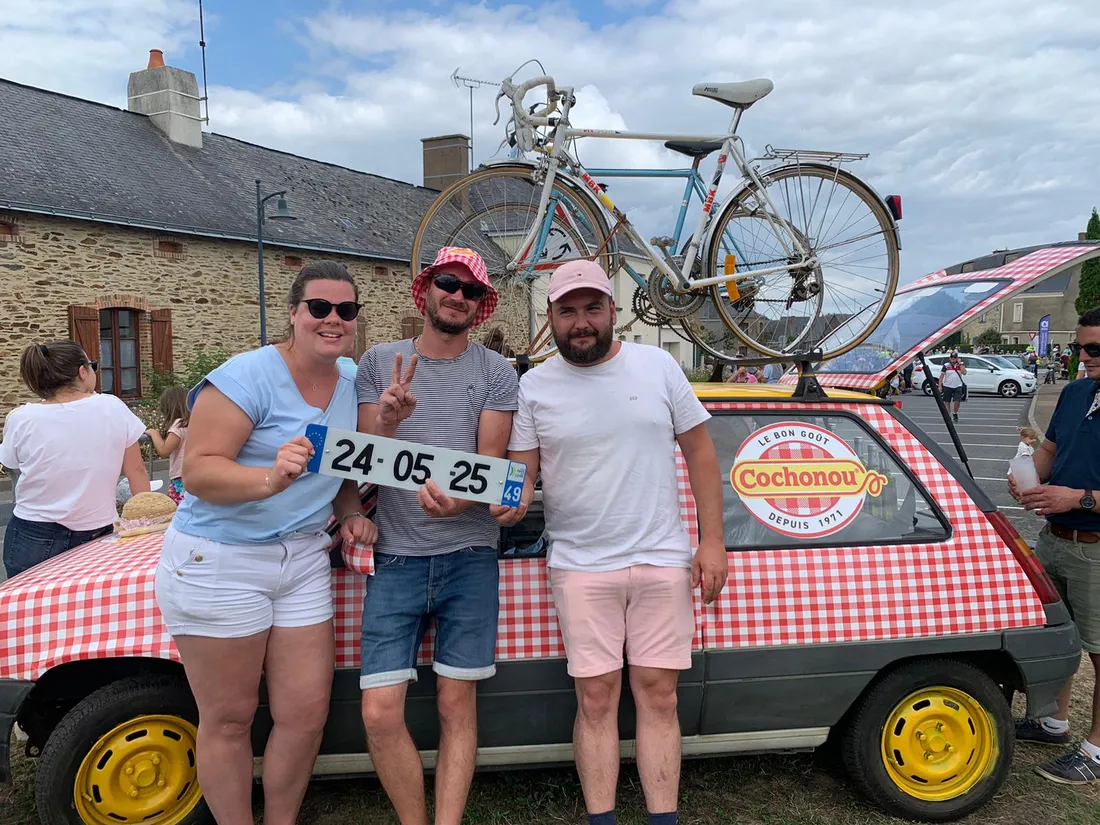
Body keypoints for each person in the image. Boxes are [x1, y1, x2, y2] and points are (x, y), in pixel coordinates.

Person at [493, 260, 727, 825]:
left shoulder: (659, 366)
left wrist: (711, 541)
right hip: (580, 565)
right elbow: (520, 474)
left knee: (659, 696)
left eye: (592, 308)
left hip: (663, 559)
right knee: (595, 700)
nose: (581, 322)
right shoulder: (534, 387)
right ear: (549, 318)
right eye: (567, 311)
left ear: (612, 311)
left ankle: (662, 817)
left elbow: (701, 454)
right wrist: (503, 501)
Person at [153, 261, 377, 825]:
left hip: (301, 558)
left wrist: (348, 508)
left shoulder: (353, 381)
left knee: (305, 714)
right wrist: (270, 479)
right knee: (229, 719)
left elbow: (343, 466)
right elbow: (198, 472)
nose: (333, 319)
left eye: (345, 311)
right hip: (221, 560)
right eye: (319, 308)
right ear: (294, 313)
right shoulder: (246, 375)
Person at [355, 246, 518, 825]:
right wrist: (390, 422)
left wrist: (464, 499)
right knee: (378, 711)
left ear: (481, 305)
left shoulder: (497, 372)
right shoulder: (379, 361)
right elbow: (366, 456)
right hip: (396, 557)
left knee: (456, 702)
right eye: (450, 283)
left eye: (472, 291)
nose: (459, 296)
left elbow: (493, 466)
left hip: (470, 554)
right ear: (425, 289)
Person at [1010, 307, 1100, 784]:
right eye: (1079, 347)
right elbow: (1050, 451)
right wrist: (1028, 481)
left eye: (1094, 349)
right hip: (1057, 537)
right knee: (1059, 637)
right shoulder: (1075, 391)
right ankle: (1053, 722)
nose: (1082, 357)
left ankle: (1096, 751)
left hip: (1096, 545)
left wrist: (1078, 497)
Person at [0, 340, 150, 578]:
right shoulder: (112, 407)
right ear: (82, 372)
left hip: (32, 532)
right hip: (96, 530)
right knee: (91, 608)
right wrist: (146, 517)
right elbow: (137, 470)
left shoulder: (21, 418)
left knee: (30, 611)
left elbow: (13, 464)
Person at [145, 385, 190, 503]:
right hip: (194, 474)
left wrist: (154, 434)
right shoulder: (193, 423)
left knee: (177, 509)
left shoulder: (179, 425)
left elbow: (165, 450)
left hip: (180, 478)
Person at [938, 351, 967, 422]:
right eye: (952, 357)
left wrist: (960, 363)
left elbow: (964, 372)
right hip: (947, 385)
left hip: (957, 385)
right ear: (949, 358)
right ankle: (948, 415)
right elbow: (941, 376)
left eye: (955, 357)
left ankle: (955, 413)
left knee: (957, 401)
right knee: (947, 401)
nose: (953, 359)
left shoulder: (960, 365)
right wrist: (940, 386)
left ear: (957, 358)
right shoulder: (946, 365)